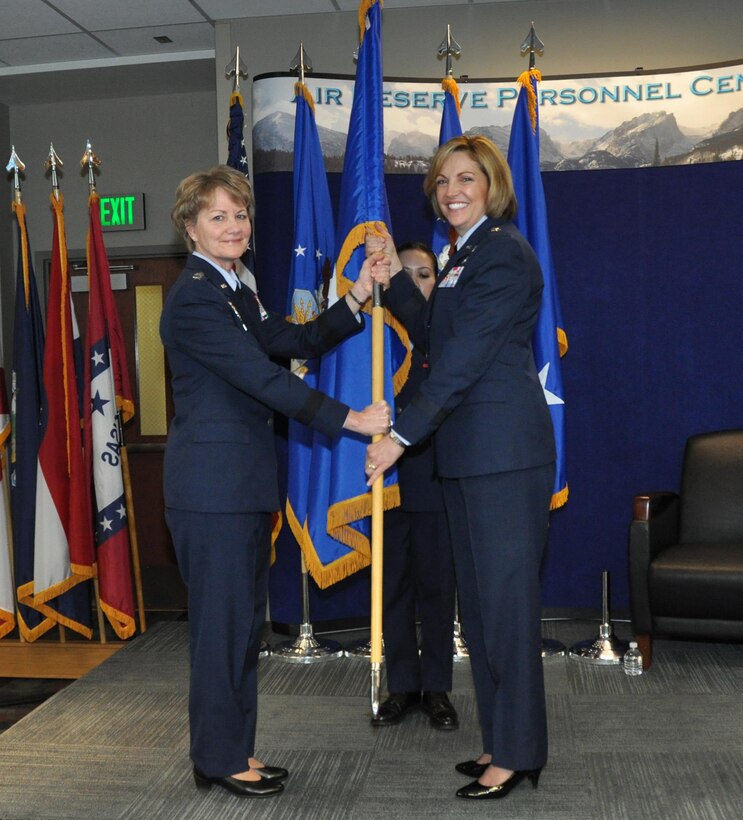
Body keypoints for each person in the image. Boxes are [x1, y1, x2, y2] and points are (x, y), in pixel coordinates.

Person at [160, 165, 391, 799]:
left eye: (240, 215)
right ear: (190, 227)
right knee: (221, 629)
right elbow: (262, 378)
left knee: (242, 627)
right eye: (218, 216)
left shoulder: (237, 288)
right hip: (212, 493)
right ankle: (218, 760)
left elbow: (291, 339)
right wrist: (350, 419)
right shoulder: (194, 298)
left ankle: (236, 751)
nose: (233, 226)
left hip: (240, 489)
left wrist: (356, 298)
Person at [365, 135, 555, 801]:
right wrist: (390, 277)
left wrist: (402, 437)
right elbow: (433, 336)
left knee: (504, 609)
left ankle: (520, 753)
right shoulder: (459, 256)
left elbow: (464, 357)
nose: (451, 190)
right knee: (478, 610)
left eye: (466, 178)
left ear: (491, 184)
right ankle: (503, 740)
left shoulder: (500, 252)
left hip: (501, 456)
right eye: (442, 180)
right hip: (468, 458)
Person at [372, 242, 458, 731]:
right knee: (394, 586)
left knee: (436, 588)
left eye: (423, 275)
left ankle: (438, 688)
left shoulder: (437, 336)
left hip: (429, 476)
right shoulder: (375, 336)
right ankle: (403, 686)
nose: (413, 283)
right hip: (383, 479)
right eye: (401, 274)